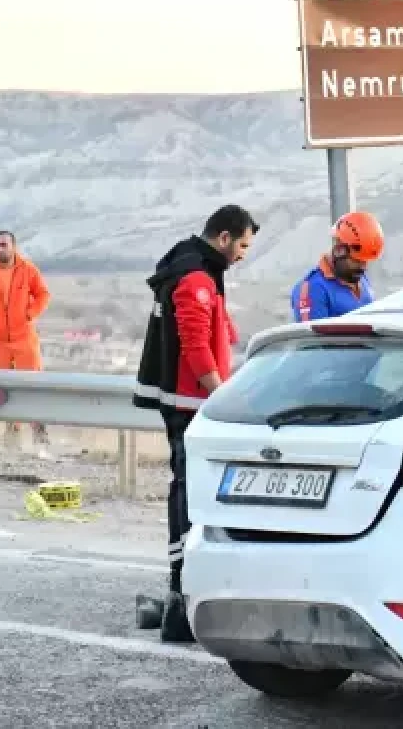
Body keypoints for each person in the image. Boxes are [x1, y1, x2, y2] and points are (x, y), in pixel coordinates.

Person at [132, 205, 258, 643]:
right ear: (224, 238)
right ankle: (180, 599)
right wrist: (222, 396)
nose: (242, 254)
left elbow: (212, 335)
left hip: (187, 404)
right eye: (242, 245)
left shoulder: (194, 271)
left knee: (189, 493)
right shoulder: (196, 280)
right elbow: (196, 348)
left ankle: (183, 599)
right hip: (193, 406)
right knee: (189, 497)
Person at [0, 231, 52, 444]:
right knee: (3, 386)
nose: (0, 248)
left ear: (13, 246)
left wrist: (29, 314)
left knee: (32, 382)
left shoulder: (28, 269)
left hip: (24, 336)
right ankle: (12, 431)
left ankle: (39, 430)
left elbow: (43, 294)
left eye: (4, 245)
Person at [290, 210, 385, 322]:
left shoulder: (359, 278)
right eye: (357, 261)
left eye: (365, 262)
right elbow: (312, 338)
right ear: (339, 250)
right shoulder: (313, 290)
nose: (363, 267)